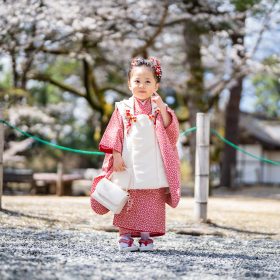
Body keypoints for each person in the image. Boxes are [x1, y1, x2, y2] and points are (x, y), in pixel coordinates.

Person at [90, 56, 181, 252]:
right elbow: (115, 133)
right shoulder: (122, 108)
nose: (142, 85)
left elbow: (171, 133)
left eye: (148, 81)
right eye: (137, 81)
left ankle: (146, 235)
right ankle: (125, 235)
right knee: (127, 197)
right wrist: (116, 156)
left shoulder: (160, 109)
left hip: (153, 160)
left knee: (151, 196)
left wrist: (163, 108)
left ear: (156, 84)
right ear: (129, 83)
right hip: (128, 160)